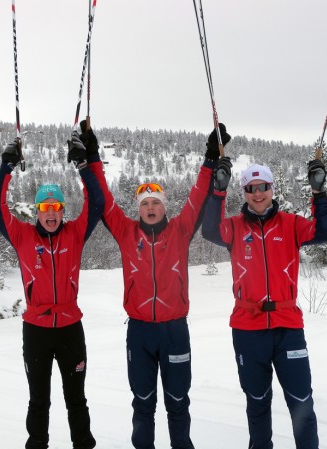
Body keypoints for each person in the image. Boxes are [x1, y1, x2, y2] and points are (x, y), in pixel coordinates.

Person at [76, 121, 230, 449]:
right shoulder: (125, 232)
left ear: (164, 207)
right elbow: (103, 200)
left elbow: (197, 197)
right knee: (143, 404)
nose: (149, 207)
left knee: (177, 404)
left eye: (155, 202)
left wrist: (209, 158)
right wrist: (91, 159)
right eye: (144, 203)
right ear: (139, 209)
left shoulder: (180, 230)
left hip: (175, 331)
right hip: (140, 332)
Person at [201, 151, 327, 449]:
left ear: (272, 189)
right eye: (251, 188)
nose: (258, 193)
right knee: (258, 402)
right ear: (245, 192)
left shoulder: (290, 224)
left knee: (301, 401)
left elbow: (325, 231)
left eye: (263, 187)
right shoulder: (235, 228)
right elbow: (209, 230)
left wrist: (319, 191)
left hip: (288, 327)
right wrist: (218, 190)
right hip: (248, 329)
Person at [0, 134, 105, 449]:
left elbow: (98, 203)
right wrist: (6, 168)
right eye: (45, 207)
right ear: (37, 210)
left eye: (56, 207)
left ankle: (83, 444)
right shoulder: (22, 236)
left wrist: (83, 166)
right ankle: (37, 443)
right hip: (36, 330)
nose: (51, 213)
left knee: (76, 399)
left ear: (62, 210)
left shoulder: (75, 233)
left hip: (70, 330)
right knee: (39, 400)